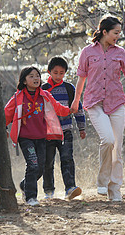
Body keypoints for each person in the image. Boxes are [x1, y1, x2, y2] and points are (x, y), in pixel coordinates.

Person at [70, 15, 125, 202]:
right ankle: (102, 180)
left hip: (116, 103)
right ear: (104, 32)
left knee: (118, 149)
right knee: (107, 140)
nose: (118, 36)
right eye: (115, 32)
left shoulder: (120, 52)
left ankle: (114, 190)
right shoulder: (87, 52)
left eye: (119, 33)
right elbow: (81, 78)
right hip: (94, 102)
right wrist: (76, 102)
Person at [5, 66, 70, 206]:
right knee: (33, 165)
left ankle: (25, 185)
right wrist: (2, 127)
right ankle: (31, 198)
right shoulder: (18, 97)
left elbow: (58, 107)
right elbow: (6, 113)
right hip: (25, 137)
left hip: (42, 137)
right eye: (31, 76)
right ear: (24, 81)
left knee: (40, 168)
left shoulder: (45, 95)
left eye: (37, 76)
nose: (36, 79)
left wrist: (71, 109)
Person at [41, 57, 86, 200]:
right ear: (49, 72)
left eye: (61, 73)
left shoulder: (69, 88)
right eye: (55, 72)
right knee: (48, 162)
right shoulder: (43, 89)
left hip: (66, 130)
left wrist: (81, 127)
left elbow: (77, 108)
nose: (58, 76)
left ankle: (70, 188)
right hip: (48, 133)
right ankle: (48, 191)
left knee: (67, 159)